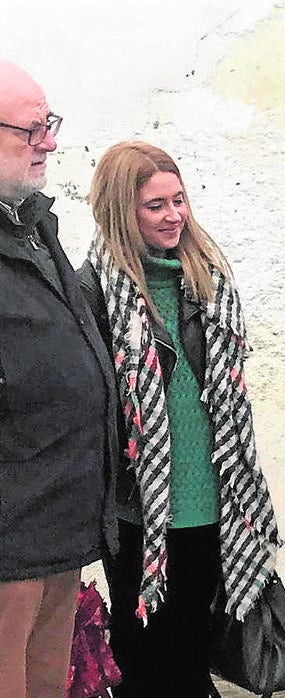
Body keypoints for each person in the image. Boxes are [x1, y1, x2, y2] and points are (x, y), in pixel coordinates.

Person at [77, 141, 283, 697]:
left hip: (213, 493)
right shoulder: (93, 291)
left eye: (179, 200)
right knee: (141, 651)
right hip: (138, 505)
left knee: (193, 642)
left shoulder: (207, 279)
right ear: (123, 211)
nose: (174, 216)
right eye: (155, 206)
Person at [0, 59, 118, 698]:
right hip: (9, 522)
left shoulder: (34, 227)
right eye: (31, 129)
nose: (49, 141)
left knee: (48, 675)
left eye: (50, 124)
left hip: (58, 513)